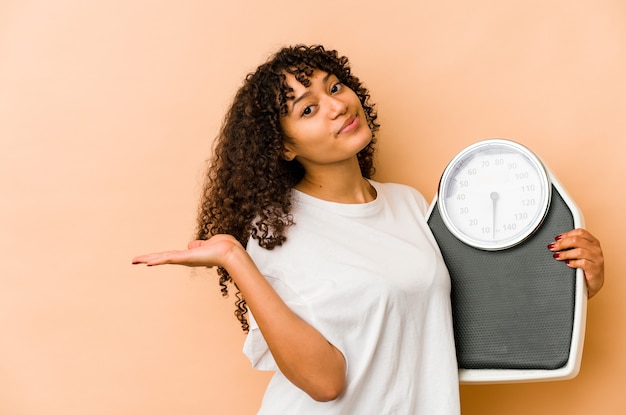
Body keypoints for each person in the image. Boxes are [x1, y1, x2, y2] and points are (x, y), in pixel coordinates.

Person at [132, 45, 605, 414]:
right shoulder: (274, 230)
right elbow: (325, 382)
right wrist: (236, 259)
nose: (336, 106)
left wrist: (571, 282)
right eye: (307, 109)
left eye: (334, 87)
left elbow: (465, 321)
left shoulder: (411, 204)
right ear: (284, 147)